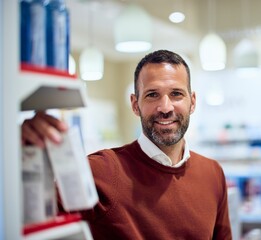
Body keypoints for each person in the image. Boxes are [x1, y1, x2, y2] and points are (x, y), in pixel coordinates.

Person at [22, 50, 232, 239]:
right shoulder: (101, 170)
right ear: (135, 104)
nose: (165, 107)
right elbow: (26, 217)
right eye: (152, 95)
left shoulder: (212, 173)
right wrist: (20, 148)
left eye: (176, 94)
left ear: (192, 101)